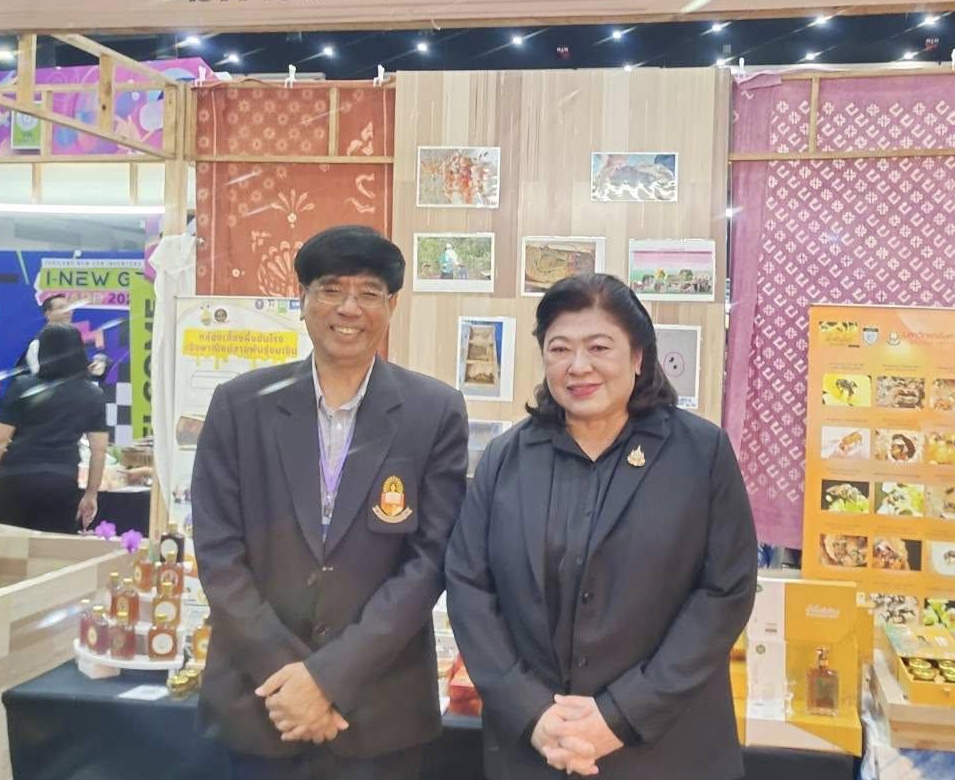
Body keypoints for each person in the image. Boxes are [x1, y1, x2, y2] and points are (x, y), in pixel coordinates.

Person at [446, 273, 758, 780]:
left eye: (599, 347)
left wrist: (621, 715)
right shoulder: (507, 457)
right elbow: (468, 585)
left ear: (638, 357)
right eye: (559, 349)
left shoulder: (700, 453)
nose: (578, 366)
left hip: (665, 749)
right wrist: (532, 712)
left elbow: (726, 591)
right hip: (535, 748)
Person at [191, 225, 468, 780]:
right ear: (303, 299)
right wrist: (289, 679)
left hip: (378, 711)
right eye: (331, 289)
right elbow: (218, 553)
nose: (349, 308)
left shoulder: (434, 411)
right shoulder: (240, 405)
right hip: (260, 702)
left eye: (369, 293)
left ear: (391, 305)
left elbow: (430, 560)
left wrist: (327, 679)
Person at [0, 322, 107, 533]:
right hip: (61, 481)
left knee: (10, 547)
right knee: (53, 548)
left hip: (14, 478)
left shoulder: (22, 386)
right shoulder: (93, 395)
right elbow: (99, 450)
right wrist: (91, 494)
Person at [17, 294, 73, 377]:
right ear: (48, 314)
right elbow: (40, 378)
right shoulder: (37, 344)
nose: (68, 311)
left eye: (69, 307)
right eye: (61, 308)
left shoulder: (73, 341)